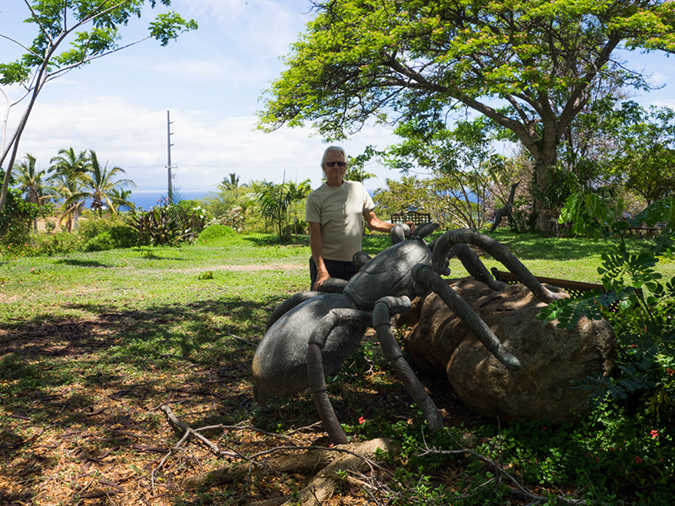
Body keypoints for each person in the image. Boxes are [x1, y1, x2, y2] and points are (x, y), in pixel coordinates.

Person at [305, 146, 400, 291]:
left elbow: (373, 222)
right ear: (324, 167)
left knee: (356, 307)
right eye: (331, 163)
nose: (336, 167)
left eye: (340, 163)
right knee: (323, 308)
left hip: (355, 264)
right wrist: (322, 270)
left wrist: (400, 228)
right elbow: (315, 236)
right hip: (329, 264)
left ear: (345, 166)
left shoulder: (358, 189)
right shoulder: (316, 197)